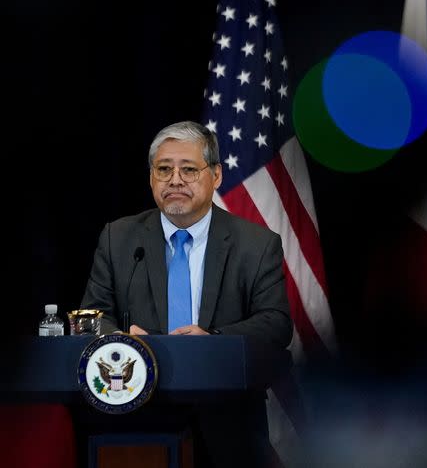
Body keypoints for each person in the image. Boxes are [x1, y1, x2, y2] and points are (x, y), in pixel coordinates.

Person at [80, 120, 292, 468]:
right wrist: (120, 340)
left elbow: (276, 323)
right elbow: (95, 315)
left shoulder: (256, 244)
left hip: (230, 418)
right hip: (135, 419)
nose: (175, 180)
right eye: (164, 169)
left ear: (216, 176)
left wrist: (213, 339)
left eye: (189, 169)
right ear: (151, 178)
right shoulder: (118, 238)